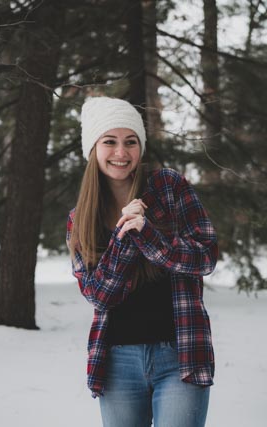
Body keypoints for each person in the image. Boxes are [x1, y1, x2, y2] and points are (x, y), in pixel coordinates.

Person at [66, 96, 218, 427]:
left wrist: (148, 233)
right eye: (110, 142)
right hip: (118, 363)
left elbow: (206, 256)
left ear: (140, 147)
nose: (121, 153)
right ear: (93, 148)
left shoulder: (168, 187)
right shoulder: (80, 219)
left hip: (180, 355)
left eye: (130, 142)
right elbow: (98, 296)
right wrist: (125, 238)